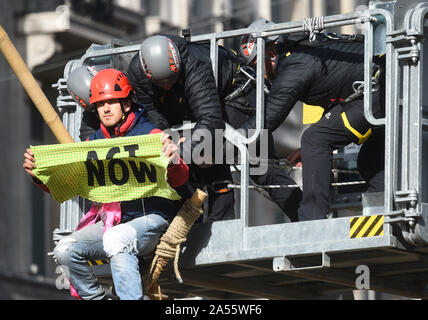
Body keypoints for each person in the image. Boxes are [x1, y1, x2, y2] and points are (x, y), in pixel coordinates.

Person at [23, 68, 189, 300]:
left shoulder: (150, 134)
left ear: (127, 104)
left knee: (115, 238)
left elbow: (180, 179)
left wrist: (172, 161)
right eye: (101, 104)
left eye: (112, 102)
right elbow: (70, 184)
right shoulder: (92, 143)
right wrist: (38, 175)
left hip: (152, 219)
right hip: (114, 223)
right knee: (64, 249)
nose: (106, 109)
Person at [128, 34, 302, 222]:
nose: (168, 86)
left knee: (259, 166)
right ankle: (216, 226)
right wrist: (167, 140)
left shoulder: (194, 65)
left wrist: (185, 150)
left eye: (172, 79)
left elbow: (210, 118)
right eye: (162, 83)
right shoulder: (137, 74)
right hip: (192, 108)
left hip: (237, 96)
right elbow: (154, 112)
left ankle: (306, 218)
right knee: (200, 161)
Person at [239, 19, 385, 221]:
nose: (260, 75)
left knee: (314, 140)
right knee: (370, 160)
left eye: (257, 66)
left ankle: (311, 220)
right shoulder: (303, 49)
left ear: (271, 54)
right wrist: (308, 154)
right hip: (381, 88)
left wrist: (222, 143)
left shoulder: (295, 66)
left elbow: (266, 120)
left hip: (375, 92)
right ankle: (385, 212)